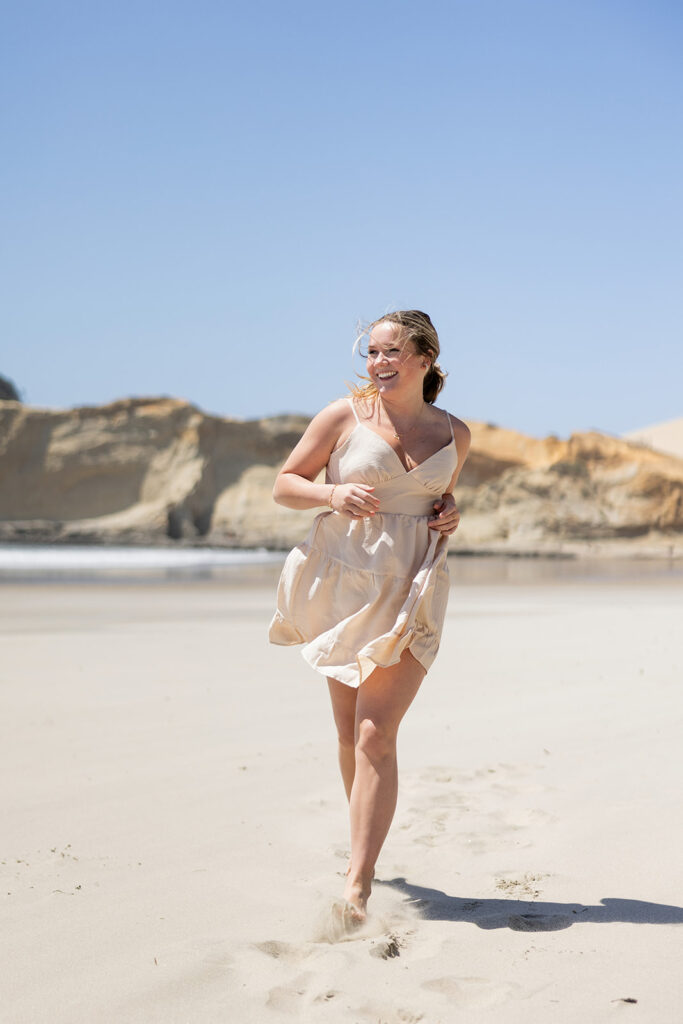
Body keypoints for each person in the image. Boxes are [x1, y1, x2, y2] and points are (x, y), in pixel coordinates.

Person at [269, 310, 471, 925]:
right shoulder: (343, 417)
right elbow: (284, 484)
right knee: (346, 733)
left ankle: (357, 885)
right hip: (347, 582)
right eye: (372, 353)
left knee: (374, 733)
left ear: (425, 359)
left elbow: (436, 499)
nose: (378, 363)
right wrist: (331, 493)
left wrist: (449, 513)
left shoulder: (455, 433)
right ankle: (364, 835)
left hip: (414, 585)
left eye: (391, 352)